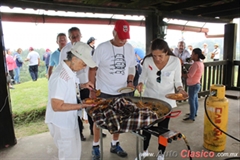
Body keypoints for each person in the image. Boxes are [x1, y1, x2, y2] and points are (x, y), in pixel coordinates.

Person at [89, 19, 136, 160]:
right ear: (114, 32)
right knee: (99, 121)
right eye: (120, 37)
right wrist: (92, 88)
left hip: (122, 91)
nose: (123, 40)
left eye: (125, 38)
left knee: (119, 120)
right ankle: (96, 147)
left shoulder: (129, 48)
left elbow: (131, 66)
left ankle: (115, 144)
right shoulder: (102, 48)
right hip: (103, 91)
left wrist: (130, 81)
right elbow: (92, 68)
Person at [136, 38, 188, 160]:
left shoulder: (175, 61)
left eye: (160, 56)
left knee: (163, 129)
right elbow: (142, 77)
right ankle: (144, 151)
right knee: (146, 128)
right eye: (154, 55)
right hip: (150, 100)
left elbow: (177, 81)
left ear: (166, 52)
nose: (157, 58)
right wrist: (140, 83)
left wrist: (180, 90)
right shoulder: (148, 60)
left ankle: (161, 153)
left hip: (167, 101)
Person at [45, 41, 97, 160]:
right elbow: (57, 106)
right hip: (61, 123)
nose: (84, 67)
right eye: (84, 64)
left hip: (69, 119)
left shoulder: (69, 71)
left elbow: (67, 90)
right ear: (74, 59)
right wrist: (82, 105)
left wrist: (83, 85)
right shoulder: (60, 77)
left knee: (75, 153)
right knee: (68, 156)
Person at [59, 27, 90, 141]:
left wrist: (86, 83)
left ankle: (93, 127)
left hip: (83, 82)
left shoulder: (85, 48)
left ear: (81, 35)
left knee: (89, 105)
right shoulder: (65, 51)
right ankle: (79, 132)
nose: (76, 38)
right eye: (73, 37)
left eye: (77, 36)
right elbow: (64, 68)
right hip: (71, 85)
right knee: (75, 109)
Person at [182, 48, 205, 122]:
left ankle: (192, 117)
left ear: (196, 55)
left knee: (191, 101)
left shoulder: (195, 64)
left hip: (193, 85)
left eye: (192, 54)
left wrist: (181, 74)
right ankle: (194, 113)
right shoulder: (200, 63)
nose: (191, 55)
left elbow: (189, 75)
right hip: (197, 84)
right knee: (195, 100)